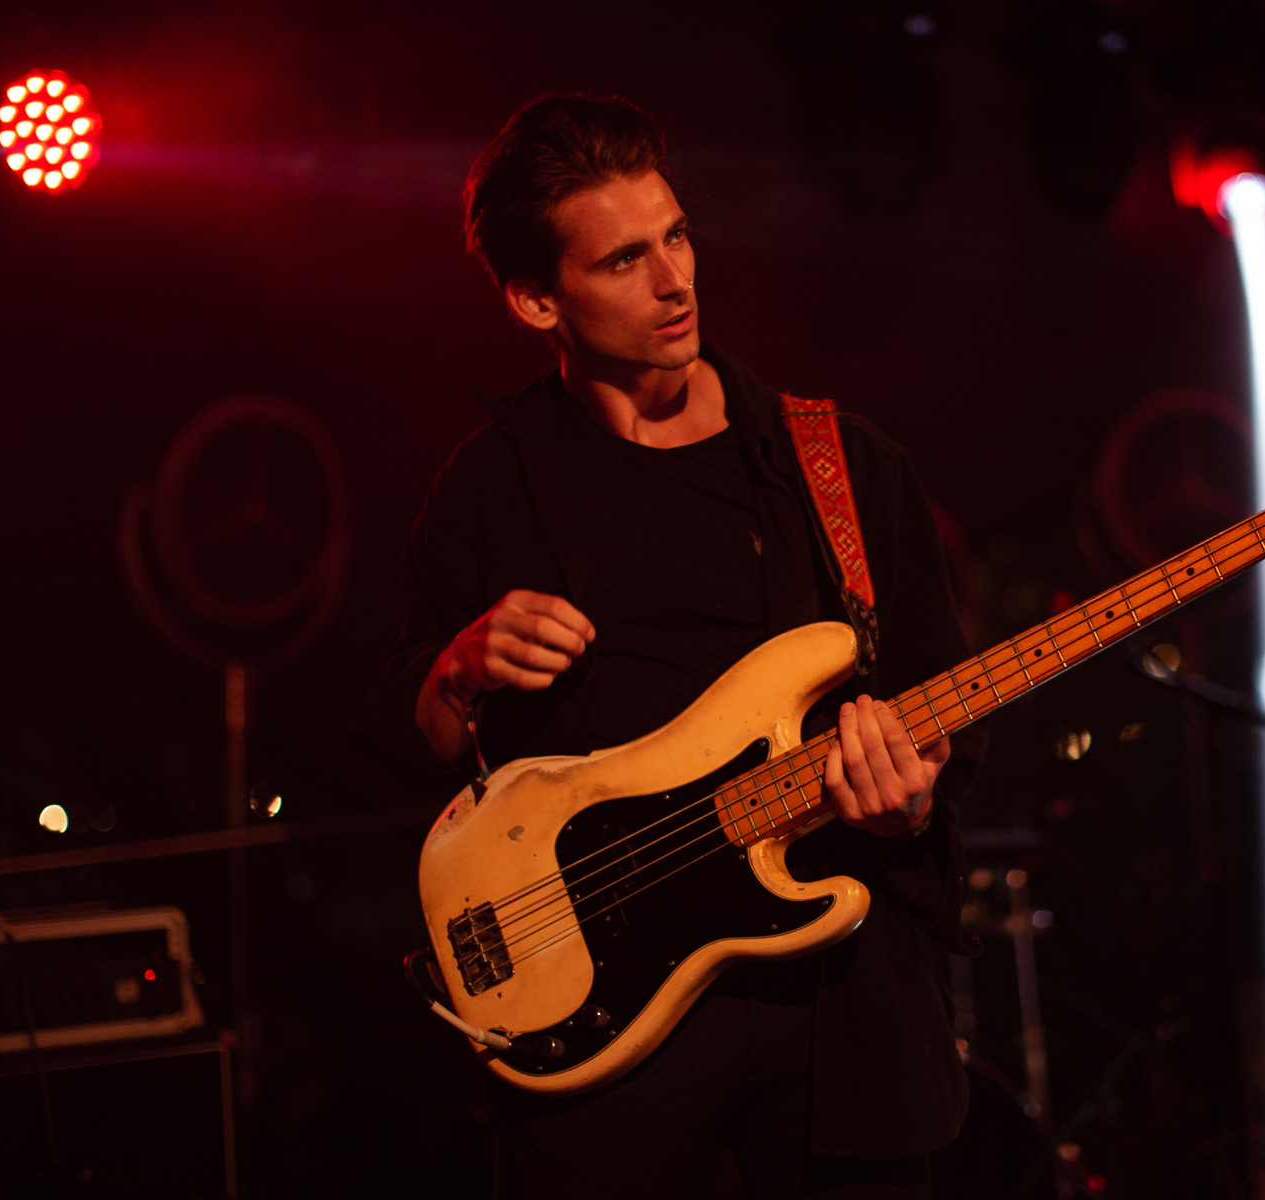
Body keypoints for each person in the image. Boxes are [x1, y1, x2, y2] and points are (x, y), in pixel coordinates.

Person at [356, 94, 982, 1199]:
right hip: (600, 1020)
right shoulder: (491, 485)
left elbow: (946, 713)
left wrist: (913, 801)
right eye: (624, 261)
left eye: (679, 236)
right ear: (534, 297)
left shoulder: (843, 467)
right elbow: (404, 734)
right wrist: (457, 667)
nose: (675, 280)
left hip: (839, 1007)